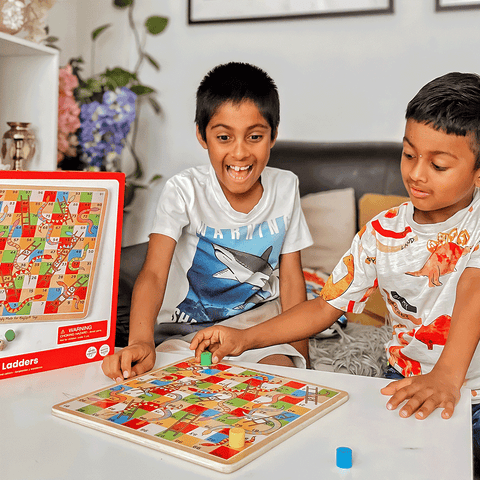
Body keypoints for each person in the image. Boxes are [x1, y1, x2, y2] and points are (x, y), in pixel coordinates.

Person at [190, 72, 480, 463]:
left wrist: (447, 375)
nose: (415, 173)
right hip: (407, 378)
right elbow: (325, 306)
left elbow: (474, 290)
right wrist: (246, 339)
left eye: (439, 165)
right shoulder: (381, 233)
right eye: (409, 154)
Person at [102, 61, 313, 382]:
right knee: (166, 385)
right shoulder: (183, 190)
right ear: (202, 135)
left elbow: (292, 278)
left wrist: (302, 356)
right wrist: (141, 341)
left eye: (254, 136)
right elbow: (154, 273)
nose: (240, 153)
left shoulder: (286, 186)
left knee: (280, 379)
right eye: (224, 137)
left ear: (273, 136)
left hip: (259, 329)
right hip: (187, 331)